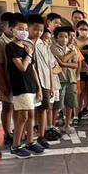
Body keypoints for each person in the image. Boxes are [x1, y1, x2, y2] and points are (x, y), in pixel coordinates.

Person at [6, 18, 43, 159]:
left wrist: (39, 88)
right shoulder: (11, 47)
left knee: (31, 116)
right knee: (22, 116)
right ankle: (15, 145)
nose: (24, 32)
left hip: (31, 86)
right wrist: (28, 54)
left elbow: (33, 70)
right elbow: (22, 67)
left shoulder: (27, 47)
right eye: (20, 29)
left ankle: (30, 141)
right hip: (20, 87)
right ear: (12, 30)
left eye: (26, 29)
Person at [26, 15, 53, 148]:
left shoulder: (44, 44)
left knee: (43, 109)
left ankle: (42, 136)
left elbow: (49, 66)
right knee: (29, 111)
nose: (38, 33)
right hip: (29, 83)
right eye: (35, 29)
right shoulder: (24, 43)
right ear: (28, 28)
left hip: (45, 82)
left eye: (41, 30)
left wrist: (52, 86)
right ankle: (28, 136)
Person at [0, 12, 17, 146]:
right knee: (7, 107)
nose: (13, 30)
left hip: (18, 81)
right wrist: (3, 83)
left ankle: (16, 130)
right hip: (6, 80)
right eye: (10, 26)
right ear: (3, 26)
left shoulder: (18, 41)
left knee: (17, 107)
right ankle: (7, 133)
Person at [50, 26, 79, 135]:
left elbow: (75, 65)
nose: (64, 38)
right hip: (59, 80)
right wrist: (72, 54)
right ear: (56, 38)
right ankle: (52, 126)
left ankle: (67, 125)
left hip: (71, 79)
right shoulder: (54, 48)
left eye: (66, 36)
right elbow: (62, 59)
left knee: (70, 103)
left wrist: (64, 64)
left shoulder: (70, 48)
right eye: (61, 36)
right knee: (58, 105)